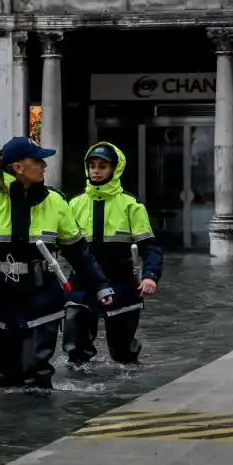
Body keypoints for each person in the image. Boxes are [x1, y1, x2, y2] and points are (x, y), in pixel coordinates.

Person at [0, 137, 114, 389]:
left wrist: (101, 286)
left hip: (41, 297)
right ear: (18, 167)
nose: (44, 165)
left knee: (36, 371)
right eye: (37, 160)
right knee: (7, 374)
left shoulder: (56, 201)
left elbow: (79, 252)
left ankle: (42, 425)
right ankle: (10, 425)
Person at [63, 142, 163, 366]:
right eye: (92, 166)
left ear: (115, 169)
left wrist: (150, 275)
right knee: (76, 346)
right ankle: (79, 387)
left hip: (122, 281)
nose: (96, 171)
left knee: (122, 351)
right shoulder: (74, 204)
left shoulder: (131, 205)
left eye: (102, 166)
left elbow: (151, 246)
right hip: (82, 282)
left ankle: (127, 386)